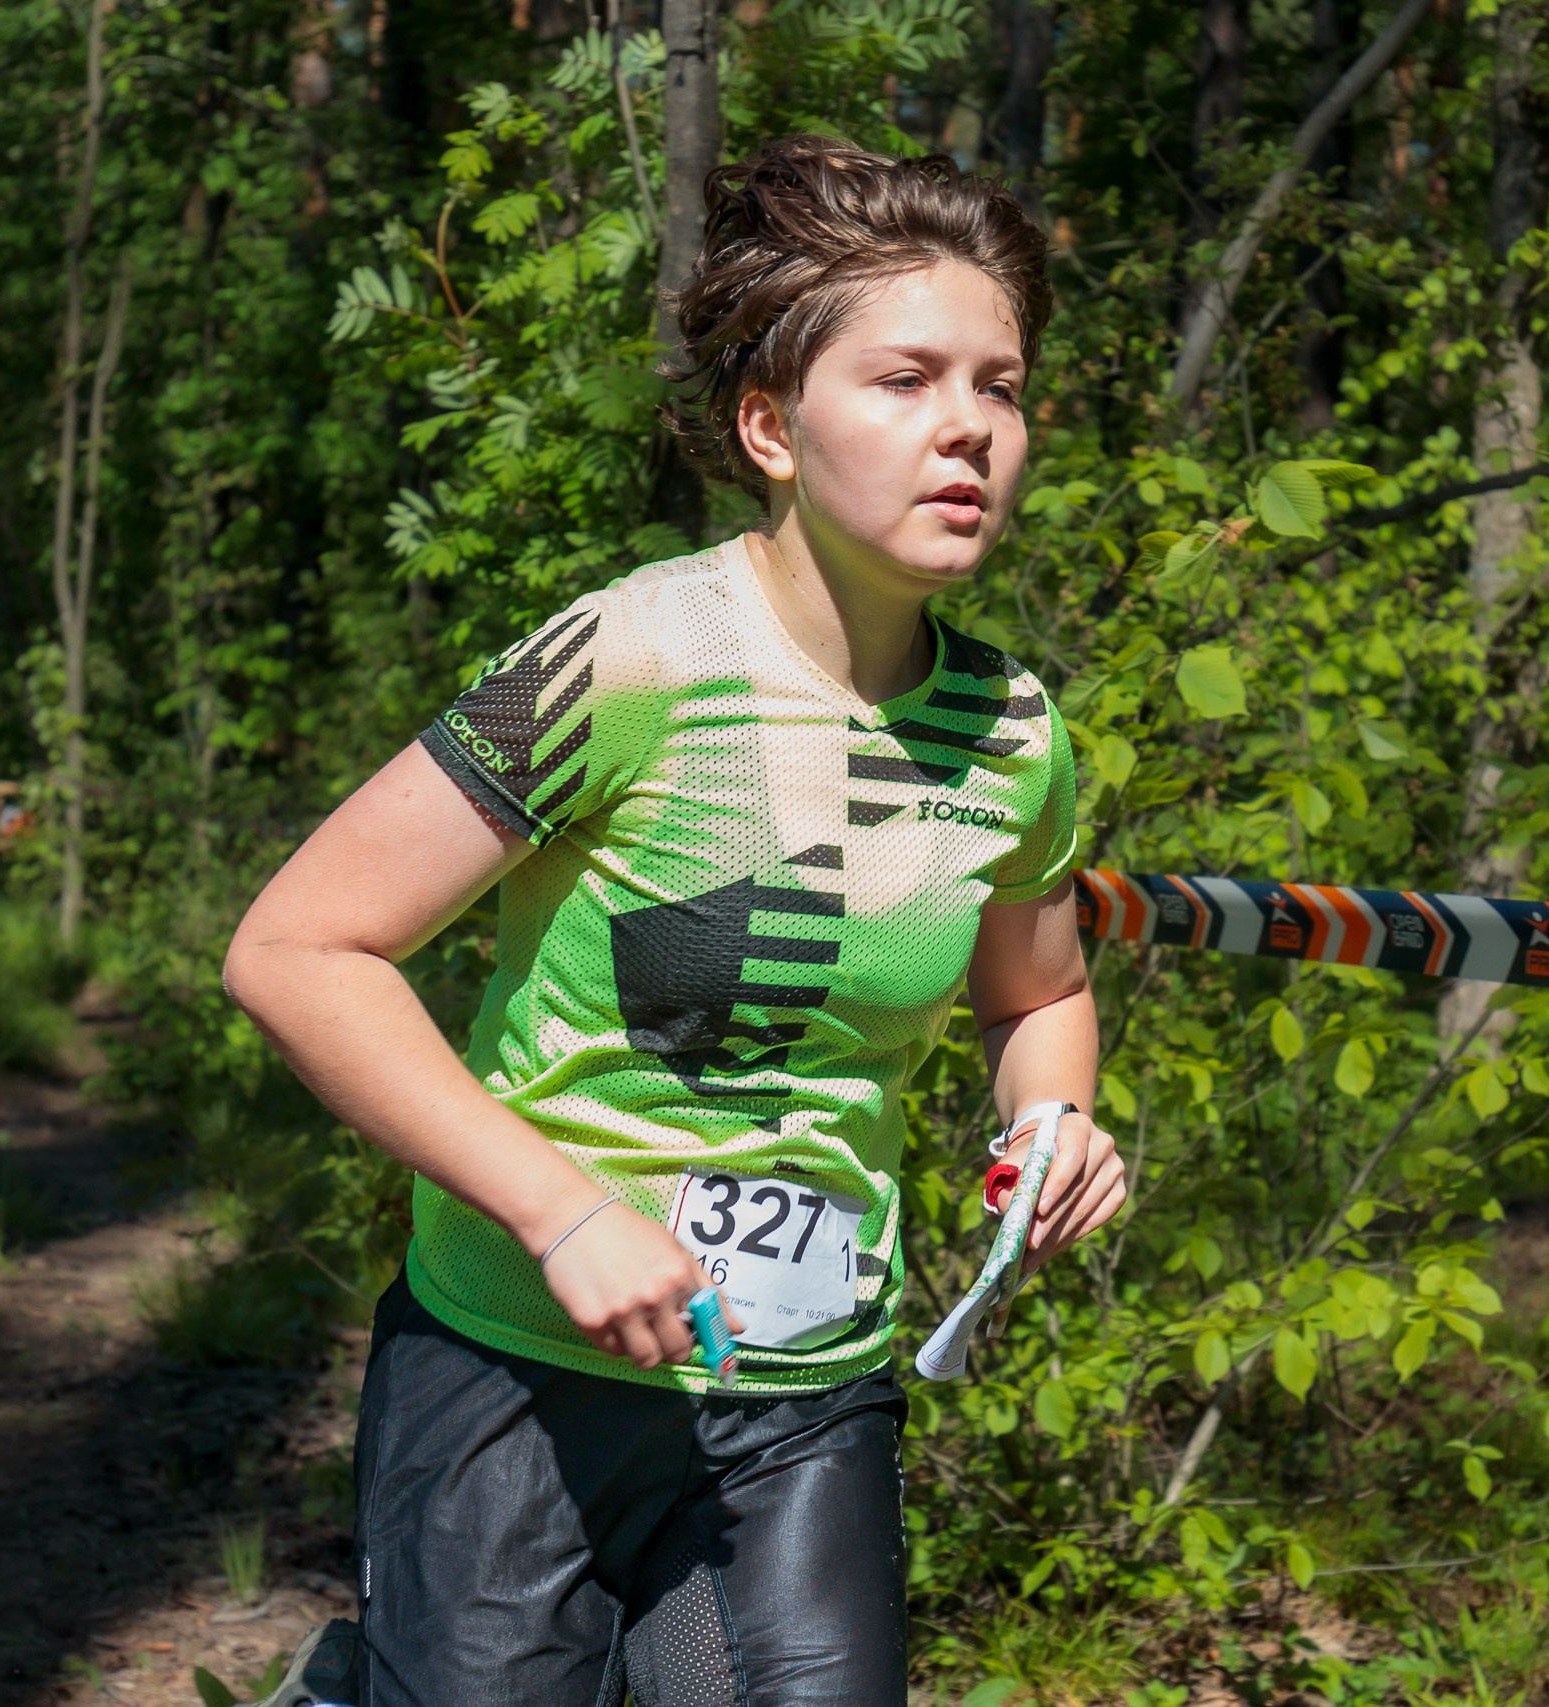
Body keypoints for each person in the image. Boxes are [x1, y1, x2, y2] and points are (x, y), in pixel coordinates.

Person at [223, 135, 1125, 1707]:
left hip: (801, 1399)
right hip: (518, 1371)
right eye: (906, 380)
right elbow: (299, 951)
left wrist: (1054, 1123)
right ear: (771, 425)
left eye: (1003, 384)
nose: (970, 428)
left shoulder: (1013, 733)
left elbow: (1034, 996)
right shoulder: (630, 660)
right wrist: (563, 1212)